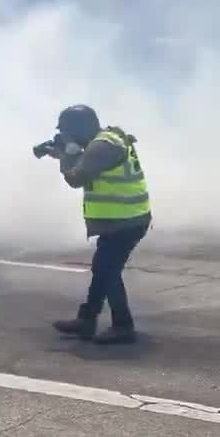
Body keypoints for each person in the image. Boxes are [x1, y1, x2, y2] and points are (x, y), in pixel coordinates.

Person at [50, 104, 152, 345]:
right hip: (123, 219)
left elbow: (76, 178)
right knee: (104, 270)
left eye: (67, 132)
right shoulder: (107, 139)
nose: (66, 136)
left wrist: (65, 156)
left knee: (107, 271)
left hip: (125, 221)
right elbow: (90, 164)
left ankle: (122, 326)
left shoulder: (101, 147)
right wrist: (70, 151)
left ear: (79, 129)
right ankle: (87, 320)